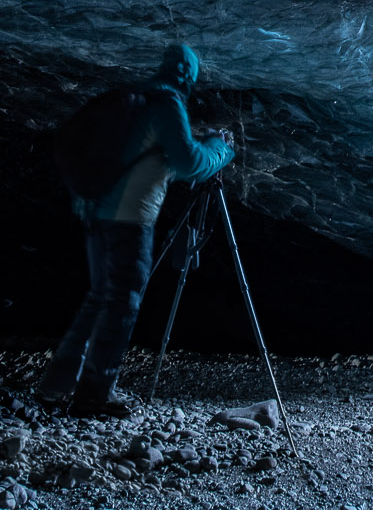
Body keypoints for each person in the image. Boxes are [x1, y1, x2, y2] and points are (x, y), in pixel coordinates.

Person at [36, 44, 235, 417]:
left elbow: (155, 155)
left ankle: (56, 386)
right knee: (123, 303)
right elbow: (190, 163)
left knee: (100, 298)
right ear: (187, 75)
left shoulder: (133, 99)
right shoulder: (167, 103)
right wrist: (220, 149)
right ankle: (94, 396)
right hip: (129, 220)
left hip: (96, 213)